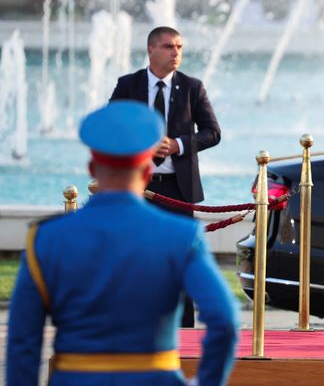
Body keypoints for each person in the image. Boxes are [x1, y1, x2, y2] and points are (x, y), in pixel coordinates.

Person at [6, 101, 238, 385]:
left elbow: (22, 343)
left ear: (92, 166)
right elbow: (224, 322)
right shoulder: (181, 235)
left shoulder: (47, 238)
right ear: (147, 172)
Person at [110, 26, 221, 327]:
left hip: (178, 191)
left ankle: (184, 331)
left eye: (179, 47)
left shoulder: (192, 87)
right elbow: (111, 127)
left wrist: (179, 145)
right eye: (169, 47)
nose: (176, 53)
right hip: (137, 189)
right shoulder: (128, 85)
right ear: (151, 50)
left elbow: (213, 132)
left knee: (181, 261)